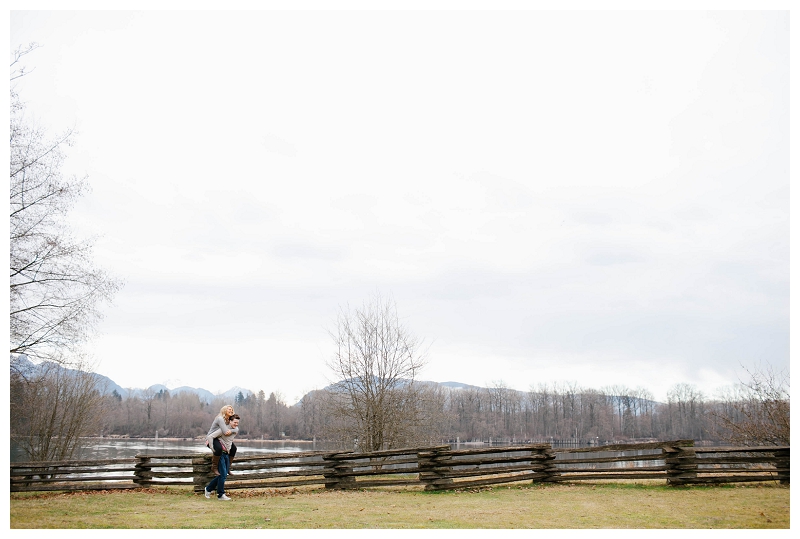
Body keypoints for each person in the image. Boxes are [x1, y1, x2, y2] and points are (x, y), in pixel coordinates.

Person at [204, 414, 240, 501]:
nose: (236, 424)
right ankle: (221, 494)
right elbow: (210, 436)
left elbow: (234, 431)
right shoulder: (223, 430)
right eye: (234, 422)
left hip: (226, 453)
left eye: (237, 423)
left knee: (223, 475)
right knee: (223, 474)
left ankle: (208, 489)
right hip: (221, 454)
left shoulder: (235, 429)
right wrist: (212, 447)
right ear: (230, 421)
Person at [206, 405, 238, 476]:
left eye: (232, 410)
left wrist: (234, 430)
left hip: (221, 438)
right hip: (212, 438)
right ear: (224, 410)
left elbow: (236, 428)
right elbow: (225, 431)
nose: (231, 411)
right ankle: (214, 467)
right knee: (218, 448)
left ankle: (228, 468)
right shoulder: (220, 419)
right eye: (229, 409)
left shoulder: (229, 419)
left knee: (233, 449)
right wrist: (233, 430)